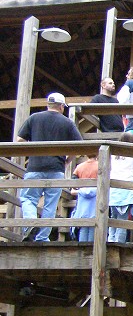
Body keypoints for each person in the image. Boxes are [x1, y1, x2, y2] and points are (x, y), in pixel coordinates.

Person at [17, 93, 83, 242]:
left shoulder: (34, 118)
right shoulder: (67, 122)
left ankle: (30, 223)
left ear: (48, 104)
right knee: (50, 204)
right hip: (56, 168)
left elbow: (19, 139)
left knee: (28, 197)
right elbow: (80, 146)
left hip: (34, 166)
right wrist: (67, 160)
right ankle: (42, 237)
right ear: (61, 107)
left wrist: (32, 152)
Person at [109, 131, 133, 243]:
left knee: (113, 218)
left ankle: (110, 240)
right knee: (122, 221)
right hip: (126, 190)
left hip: (112, 190)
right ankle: (118, 243)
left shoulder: (113, 156)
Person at [70, 155, 98, 242]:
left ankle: (82, 248)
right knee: (93, 226)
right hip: (95, 198)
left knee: (83, 226)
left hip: (83, 199)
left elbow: (74, 184)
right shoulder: (100, 166)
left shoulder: (79, 167)